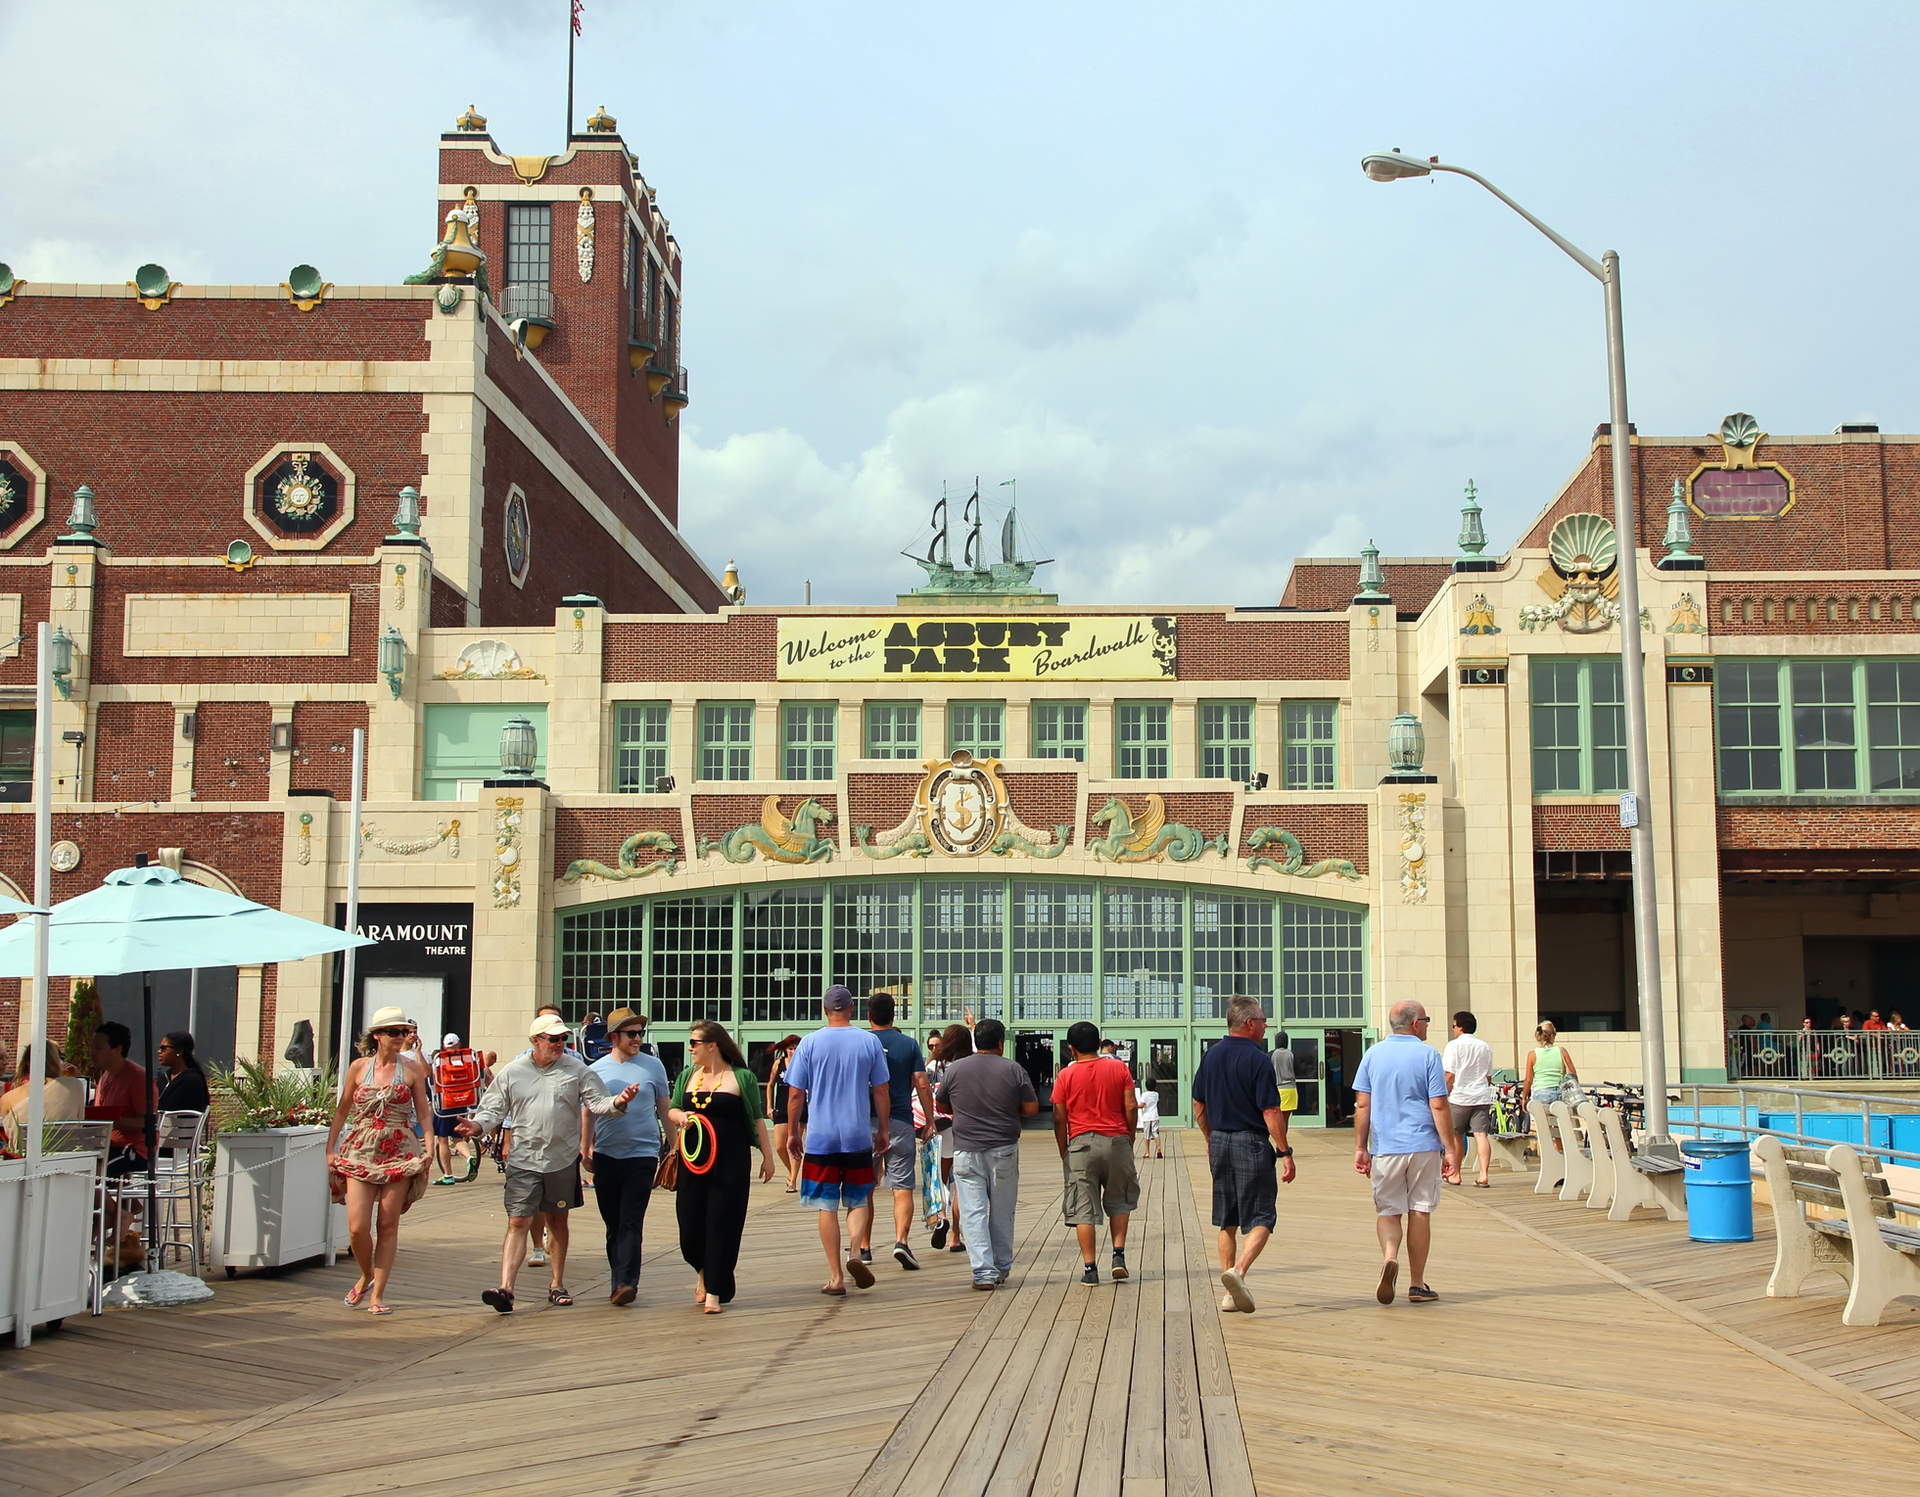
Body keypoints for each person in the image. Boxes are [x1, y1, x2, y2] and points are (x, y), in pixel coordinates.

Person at [456, 1013, 640, 1313]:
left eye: (563, 1038)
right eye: (553, 1039)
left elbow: (599, 1102)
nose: (560, 1044)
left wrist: (620, 1101)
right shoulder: (513, 1072)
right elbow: (492, 1110)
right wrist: (476, 1127)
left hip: (562, 1160)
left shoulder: (576, 1068)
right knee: (518, 1221)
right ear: (535, 1041)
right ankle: (507, 1289)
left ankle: (557, 1284)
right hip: (524, 1159)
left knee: (557, 1221)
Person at [325, 1007, 434, 1314]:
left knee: (387, 1224)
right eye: (393, 1032)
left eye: (404, 1031)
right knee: (358, 1227)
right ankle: (365, 1276)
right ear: (377, 1036)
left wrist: (428, 1150)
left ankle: (378, 1295)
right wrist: (330, 1149)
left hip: (398, 1147)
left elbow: (424, 1113)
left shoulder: (411, 1068)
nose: (401, 1037)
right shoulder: (359, 1067)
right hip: (361, 1146)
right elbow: (343, 1108)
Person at [784, 985, 891, 1296]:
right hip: (857, 1133)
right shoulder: (868, 1041)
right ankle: (856, 1251)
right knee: (858, 1198)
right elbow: (881, 1089)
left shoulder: (809, 1043)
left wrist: (793, 1131)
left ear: (824, 1009)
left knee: (826, 1206)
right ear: (853, 1008)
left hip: (821, 1137)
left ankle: (835, 1276)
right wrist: (883, 1129)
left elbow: (795, 1093)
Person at [1191, 996, 1295, 1314]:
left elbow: (1198, 1104)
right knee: (1263, 1215)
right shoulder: (1257, 1059)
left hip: (1220, 1142)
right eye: (1263, 1021)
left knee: (1227, 1219)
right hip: (1251, 1141)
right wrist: (1284, 1151)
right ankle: (1239, 1271)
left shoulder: (1210, 1055)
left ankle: (1227, 1293)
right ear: (1249, 1024)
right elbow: (1271, 1109)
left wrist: (1210, 1138)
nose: (1265, 1026)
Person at [1354, 1001, 1460, 1306]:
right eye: (1426, 1020)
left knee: (1388, 1210)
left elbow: (1363, 1105)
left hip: (1386, 1147)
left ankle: (1390, 1256)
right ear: (1415, 1024)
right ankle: (1416, 1284)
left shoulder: (1372, 1054)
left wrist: (1361, 1147)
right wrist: (1450, 1150)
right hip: (1423, 1145)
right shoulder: (1428, 1055)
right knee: (1420, 1210)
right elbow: (1438, 1105)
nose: (1427, 1024)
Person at [667, 1020, 775, 1312]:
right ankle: (703, 1270)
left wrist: (768, 1156)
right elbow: (673, 1107)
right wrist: (679, 1118)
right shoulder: (688, 1076)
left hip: (730, 1164)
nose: (690, 1048)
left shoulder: (742, 1077)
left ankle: (715, 1290)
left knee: (721, 1224)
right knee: (689, 1228)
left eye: (694, 1043)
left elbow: (756, 1119)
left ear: (712, 1045)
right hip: (694, 1162)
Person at [936, 1017, 1038, 1291]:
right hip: (1003, 1147)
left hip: (966, 1149)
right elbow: (1031, 1109)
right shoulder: (1013, 1069)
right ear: (1000, 1044)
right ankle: (1001, 1266)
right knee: (1002, 1211)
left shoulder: (956, 1070)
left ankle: (982, 1272)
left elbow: (942, 1103)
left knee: (973, 1211)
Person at [584, 1007, 674, 1306]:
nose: (638, 1039)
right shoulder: (596, 1070)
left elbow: (664, 1108)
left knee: (631, 1221)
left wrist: (673, 1148)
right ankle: (617, 1281)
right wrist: (585, 1149)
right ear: (613, 1037)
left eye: (640, 1033)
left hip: (643, 1154)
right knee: (614, 1223)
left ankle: (626, 1281)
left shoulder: (653, 1067)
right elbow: (589, 1112)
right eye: (631, 1034)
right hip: (607, 1154)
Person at [1051, 1021, 1139, 1285]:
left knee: (1083, 1207)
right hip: (1116, 1141)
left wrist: (1064, 1149)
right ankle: (1118, 1255)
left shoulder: (1065, 1076)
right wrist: (1129, 1137)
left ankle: (1090, 1268)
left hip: (1081, 1144)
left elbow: (1059, 1118)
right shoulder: (1118, 1068)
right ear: (1099, 1042)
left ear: (1071, 1049)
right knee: (1120, 1199)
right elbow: (1131, 1107)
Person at [860, 993, 937, 1271]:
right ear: (895, 1016)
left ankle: (863, 1247)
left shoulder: (861, 1041)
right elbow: (922, 1082)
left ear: (869, 1016)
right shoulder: (908, 1044)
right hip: (901, 1122)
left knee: (864, 1188)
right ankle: (901, 1241)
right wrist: (929, 1120)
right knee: (902, 1187)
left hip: (864, 1124)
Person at [87, 1021, 155, 1178]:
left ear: (117, 1049)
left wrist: (111, 1120)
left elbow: (147, 1122)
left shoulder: (138, 1078)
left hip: (134, 1151)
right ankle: (121, 1203)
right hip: (108, 1147)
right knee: (75, 1163)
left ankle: (108, 1203)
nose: (91, 1053)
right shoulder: (104, 1077)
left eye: (98, 1048)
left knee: (90, 1174)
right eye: (92, 1047)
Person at [927, 1023, 973, 1254]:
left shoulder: (935, 1065)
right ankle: (956, 1235)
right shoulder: (971, 1064)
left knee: (940, 1176)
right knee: (962, 1182)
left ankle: (941, 1215)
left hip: (941, 1124)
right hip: (965, 1125)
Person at [1442, 1011, 1496, 1188]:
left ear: (1460, 1026)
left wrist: (1442, 1094)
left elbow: (1449, 1074)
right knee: (1481, 1135)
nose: (1453, 1029)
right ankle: (1484, 1174)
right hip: (1481, 1095)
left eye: (1454, 1026)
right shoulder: (1484, 1047)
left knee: (1457, 1136)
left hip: (1460, 1097)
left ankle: (1456, 1174)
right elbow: (1488, 1076)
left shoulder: (1453, 1046)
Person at [1, 1041, 85, 1149]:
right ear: (56, 1061)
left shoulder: (7, 1099)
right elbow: (78, 1125)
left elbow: (12, 1139)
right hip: (65, 1158)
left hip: (25, 1160)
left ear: (27, 1063)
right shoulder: (74, 1086)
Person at [429, 1031, 484, 1185]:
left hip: (445, 1103)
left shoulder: (441, 1061)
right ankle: (469, 1157)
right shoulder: (467, 1058)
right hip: (463, 1101)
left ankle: (448, 1175)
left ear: (444, 1047)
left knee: (443, 1140)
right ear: (459, 1044)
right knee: (458, 1137)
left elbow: (432, 1081)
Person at [155, 1031, 210, 1158]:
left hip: (173, 1145)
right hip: (159, 1139)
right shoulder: (165, 1077)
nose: (159, 1051)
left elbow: (164, 1108)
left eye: (164, 1048)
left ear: (179, 1051)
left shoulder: (191, 1081)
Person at [766, 1034, 802, 1192]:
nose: (793, 1052)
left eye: (796, 1049)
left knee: (794, 1145)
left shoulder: (804, 1064)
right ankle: (790, 1171)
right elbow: (770, 1085)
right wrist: (769, 1106)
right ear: (785, 1050)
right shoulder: (778, 1064)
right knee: (780, 1146)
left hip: (799, 1108)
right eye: (790, 1049)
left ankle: (793, 1180)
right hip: (781, 1107)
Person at [1520, 1022, 1578, 1109]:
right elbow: (1573, 1074)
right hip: (1560, 1092)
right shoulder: (1561, 1051)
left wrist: (1524, 1098)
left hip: (1541, 1092)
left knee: (1543, 1122)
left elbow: (1528, 1080)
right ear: (1551, 1036)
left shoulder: (1532, 1054)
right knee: (1560, 1121)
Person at [1270, 1032, 1299, 1115]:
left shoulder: (1271, 1054)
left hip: (1276, 1089)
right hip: (1290, 1089)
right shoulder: (1291, 1054)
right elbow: (1299, 1070)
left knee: (1277, 1118)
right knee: (1285, 1119)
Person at [1136, 1072, 1163, 1159]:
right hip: (1155, 1116)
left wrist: (1135, 1106)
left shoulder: (1144, 1095)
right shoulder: (1156, 1094)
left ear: (1146, 1086)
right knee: (1156, 1133)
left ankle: (1147, 1152)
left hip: (1147, 1117)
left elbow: (1142, 1105)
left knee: (1146, 1135)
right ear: (1155, 1087)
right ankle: (1159, 1148)